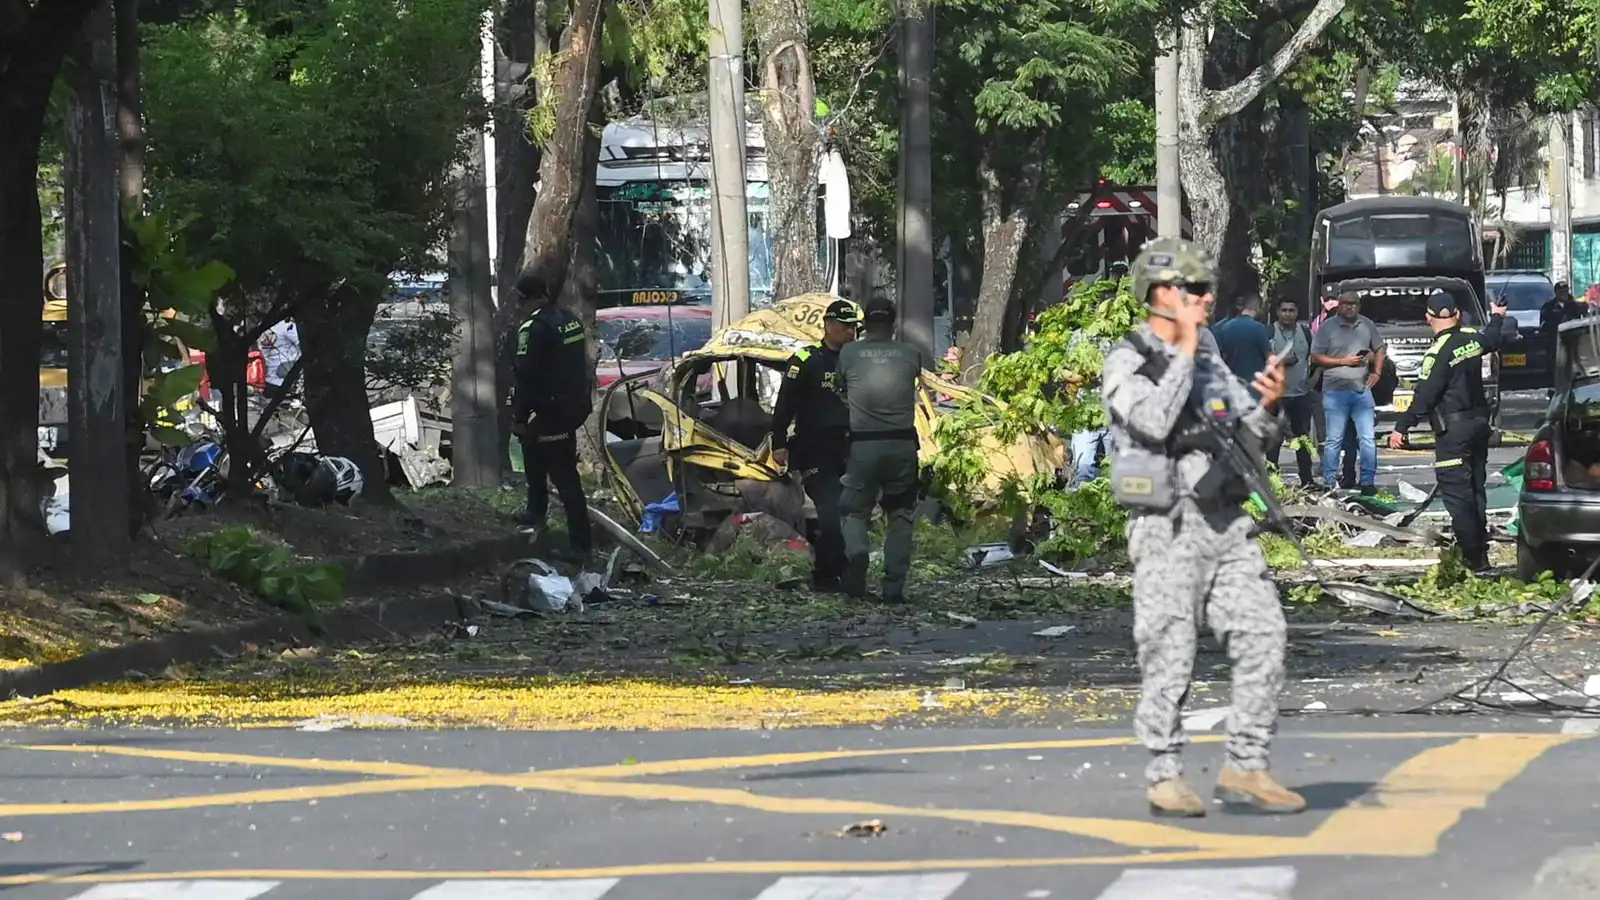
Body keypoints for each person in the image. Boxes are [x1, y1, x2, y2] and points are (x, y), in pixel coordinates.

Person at [1101, 237, 1304, 819]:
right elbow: (1153, 422)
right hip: (1167, 528)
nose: (1205, 298)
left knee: (1265, 634)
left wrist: (1269, 407)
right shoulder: (1127, 360)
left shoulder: (1211, 358)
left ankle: (1247, 763)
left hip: (1226, 522)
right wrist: (1186, 352)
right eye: (1193, 289)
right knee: (1169, 652)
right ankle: (1164, 773)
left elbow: (1256, 439)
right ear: (1161, 294)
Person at [1388, 291, 1510, 572]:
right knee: (1476, 491)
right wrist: (1496, 316)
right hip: (1479, 427)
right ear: (1456, 314)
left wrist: (1401, 428)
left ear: (1428, 318)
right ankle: (1481, 555)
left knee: (1458, 496)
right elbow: (1492, 338)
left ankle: (1471, 560)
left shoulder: (1437, 352)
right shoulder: (1471, 338)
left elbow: (1426, 395)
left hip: (1453, 433)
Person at [836, 297, 935, 603]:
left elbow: (840, 387)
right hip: (902, 445)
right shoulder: (910, 354)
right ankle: (893, 587)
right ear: (894, 324)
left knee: (853, 510)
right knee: (901, 515)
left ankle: (858, 552)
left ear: (864, 323)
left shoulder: (849, 353)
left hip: (863, 445)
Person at [770, 299, 862, 592]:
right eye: (845, 327)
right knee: (831, 510)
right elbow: (784, 406)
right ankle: (826, 574)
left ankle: (845, 572)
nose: (851, 333)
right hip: (815, 448)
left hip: (851, 447)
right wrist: (779, 443)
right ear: (829, 325)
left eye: (855, 327)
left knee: (852, 512)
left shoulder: (857, 360)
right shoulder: (806, 360)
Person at [511, 274, 594, 560]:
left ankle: (580, 545)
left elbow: (525, 376)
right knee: (533, 449)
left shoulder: (533, 328)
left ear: (524, 299)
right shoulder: (568, 319)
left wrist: (519, 415)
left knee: (563, 474)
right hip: (573, 406)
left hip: (551, 409)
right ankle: (535, 511)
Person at [1310, 291, 1385, 494]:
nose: (1350, 307)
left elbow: (1380, 348)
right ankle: (1329, 482)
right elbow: (1316, 356)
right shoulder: (1327, 328)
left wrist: (1377, 372)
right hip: (1335, 390)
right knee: (1334, 439)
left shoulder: (1366, 324)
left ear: (1359, 306)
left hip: (1361, 389)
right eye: (1346, 304)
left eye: (1354, 304)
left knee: (1367, 438)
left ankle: (1368, 482)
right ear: (1339, 305)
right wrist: (1343, 361)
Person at [1266, 298, 1316, 486]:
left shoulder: (1305, 332)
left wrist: (1313, 379)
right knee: (1274, 439)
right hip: (1278, 396)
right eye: (1284, 310)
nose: (1288, 314)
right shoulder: (1269, 332)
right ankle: (1273, 480)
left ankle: (1307, 479)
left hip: (1301, 394)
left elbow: (1315, 357)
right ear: (1278, 312)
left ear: (1297, 313)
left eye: (1291, 310)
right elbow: (1261, 360)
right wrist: (1281, 361)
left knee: (1303, 438)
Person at [1209, 291, 1272, 391]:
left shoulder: (1225, 328)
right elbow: (1270, 358)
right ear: (1257, 307)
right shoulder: (1259, 328)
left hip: (1232, 386)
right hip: (1255, 388)